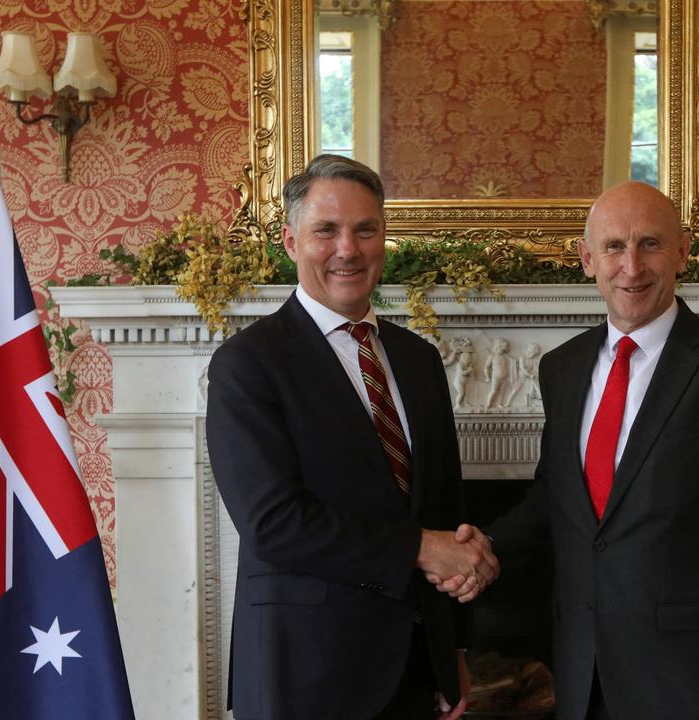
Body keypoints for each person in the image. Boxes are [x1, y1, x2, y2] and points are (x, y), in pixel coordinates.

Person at [436, 182, 699, 720]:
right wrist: (486, 546)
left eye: (650, 243)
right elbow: (556, 498)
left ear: (681, 252)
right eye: (613, 247)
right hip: (582, 677)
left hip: (696, 688)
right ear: (587, 259)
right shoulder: (562, 368)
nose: (631, 266)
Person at [207, 154, 499, 720]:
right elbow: (272, 523)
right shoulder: (249, 364)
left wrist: (453, 651)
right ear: (291, 241)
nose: (349, 249)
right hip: (303, 674)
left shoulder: (418, 360)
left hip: (414, 670)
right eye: (327, 230)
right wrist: (419, 548)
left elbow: (444, 508)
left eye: (366, 230)